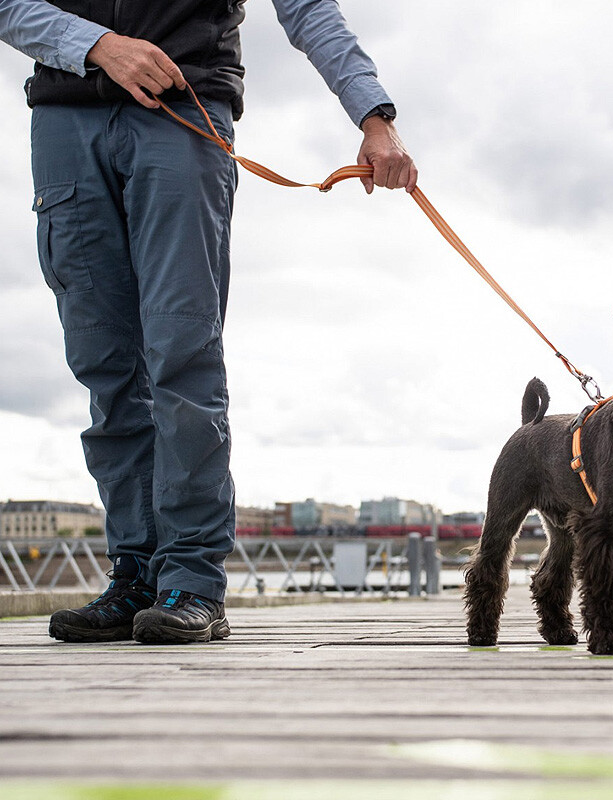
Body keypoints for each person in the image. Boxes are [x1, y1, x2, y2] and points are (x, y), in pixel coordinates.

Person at [0, 0, 417, 644]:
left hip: (183, 110)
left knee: (181, 353)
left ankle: (192, 582)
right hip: (64, 121)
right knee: (103, 366)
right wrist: (96, 44)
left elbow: (308, 8)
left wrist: (374, 115)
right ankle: (134, 572)